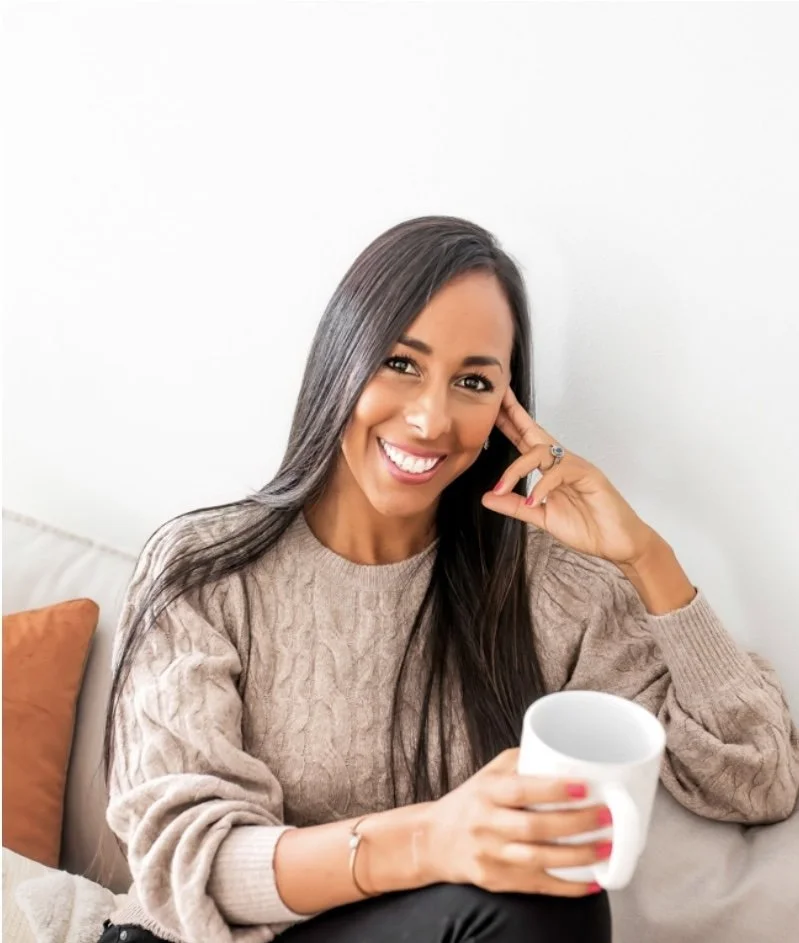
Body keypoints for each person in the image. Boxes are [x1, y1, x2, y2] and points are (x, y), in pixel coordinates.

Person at [97, 216, 799, 943]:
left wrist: (644, 555)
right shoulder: (204, 570)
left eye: (471, 381)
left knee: (556, 895)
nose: (431, 418)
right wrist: (431, 837)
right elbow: (185, 864)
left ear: (503, 410)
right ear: (341, 358)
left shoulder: (546, 590)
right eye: (401, 363)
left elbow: (756, 776)